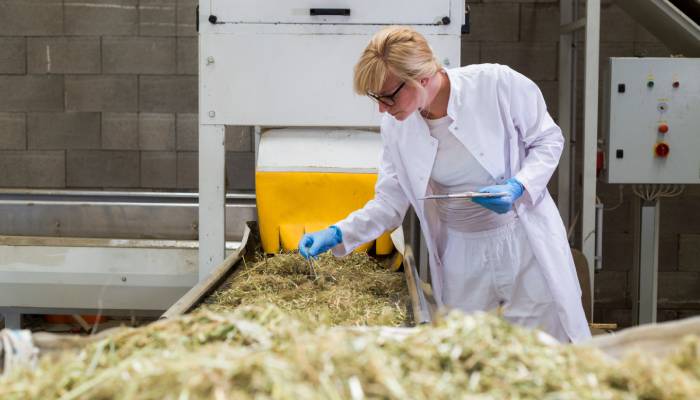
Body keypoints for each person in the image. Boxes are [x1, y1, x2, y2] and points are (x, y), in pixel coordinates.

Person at [298, 26, 591, 342]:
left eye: (387, 96)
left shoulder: (497, 85)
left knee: (545, 350)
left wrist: (519, 185)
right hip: (462, 255)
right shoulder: (397, 129)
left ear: (421, 79)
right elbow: (389, 205)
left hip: (523, 244)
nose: (382, 107)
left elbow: (548, 140)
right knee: (470, 355)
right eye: (376, 98)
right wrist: (339, 233)